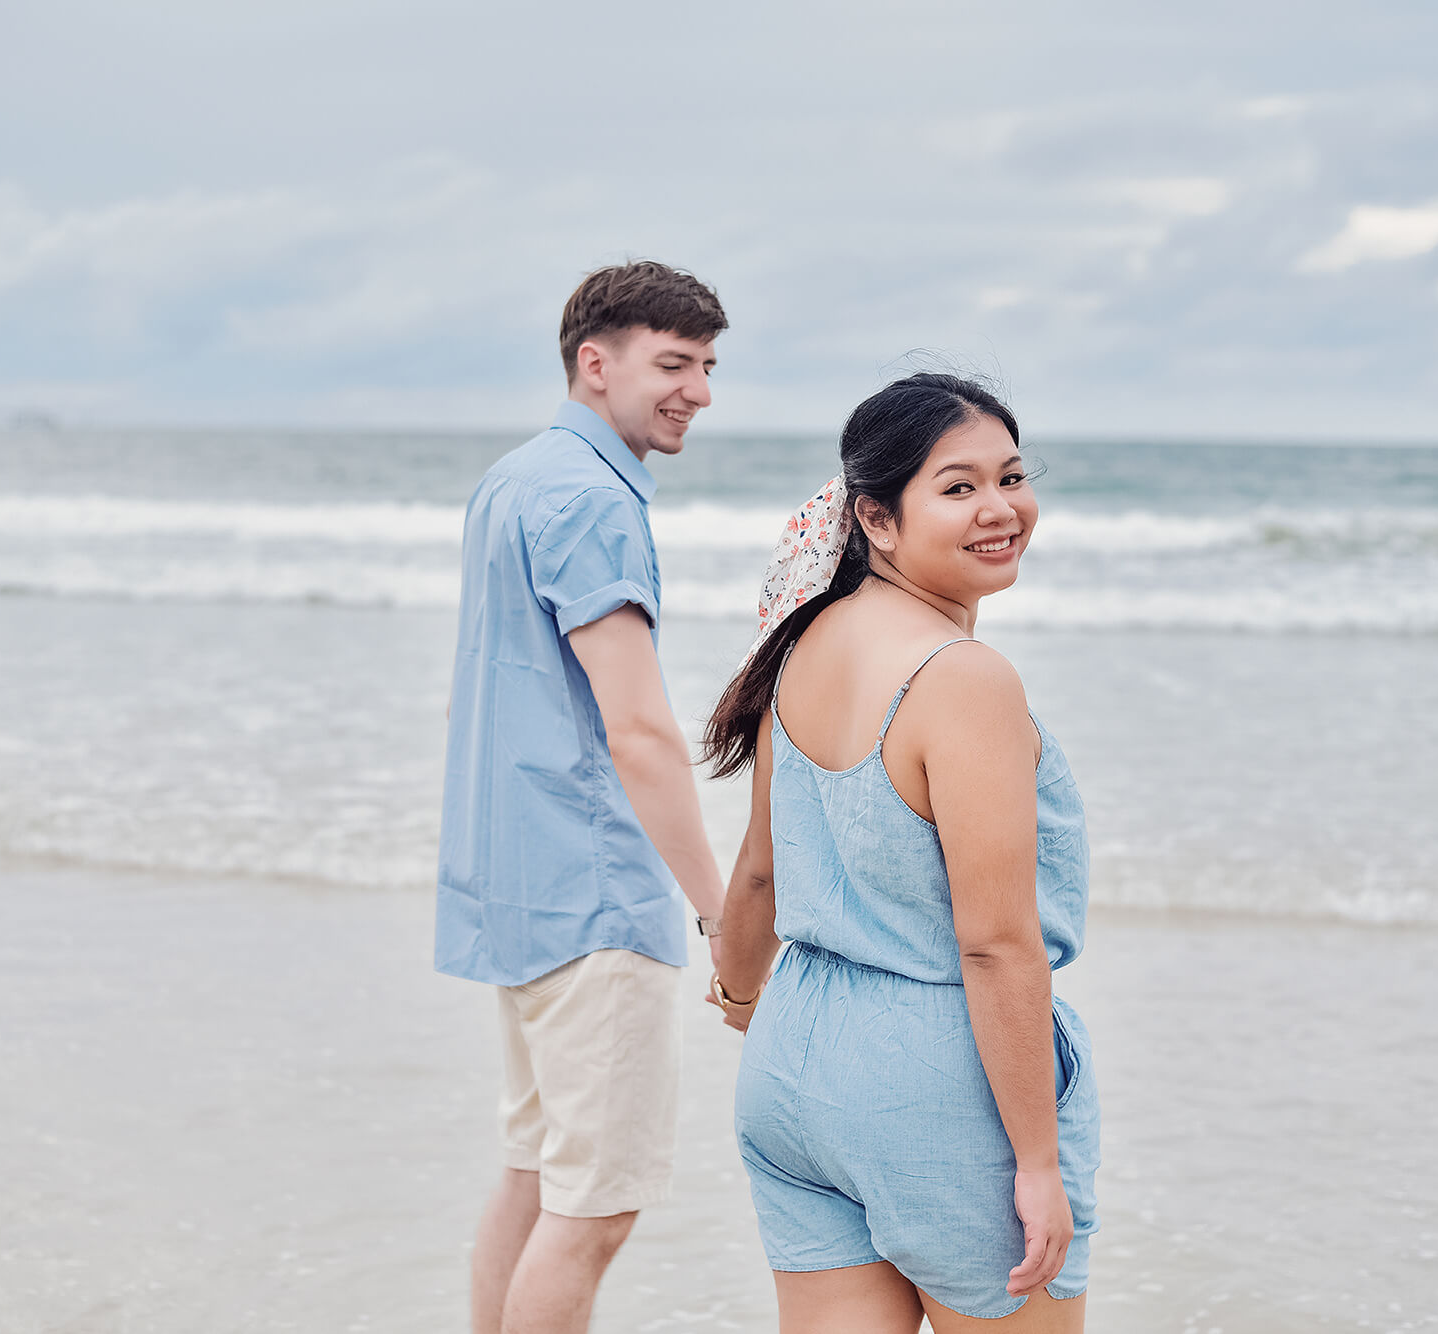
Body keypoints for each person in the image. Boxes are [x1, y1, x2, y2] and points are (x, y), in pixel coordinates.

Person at [701, 373, 1099, 1332]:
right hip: (938, 1083)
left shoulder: (801, 645)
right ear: (876, 519)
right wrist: (1037, 1164)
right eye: (958, 488)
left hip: (795, 1064)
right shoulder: (964, 680)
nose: (1001, 509)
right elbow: (996, 946)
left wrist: (747, 999)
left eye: (1012, 476)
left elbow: (757, 868)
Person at [435, 260, 731, 1334]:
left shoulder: (513, 479)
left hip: (514, 891)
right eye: (672, 362)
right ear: (592, 362)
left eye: (704, 365)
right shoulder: (592, 500)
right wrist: (717, 905)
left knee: (532, 1174)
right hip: (595, 894)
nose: (695, 388)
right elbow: (638, 728)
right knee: (594, 1209)